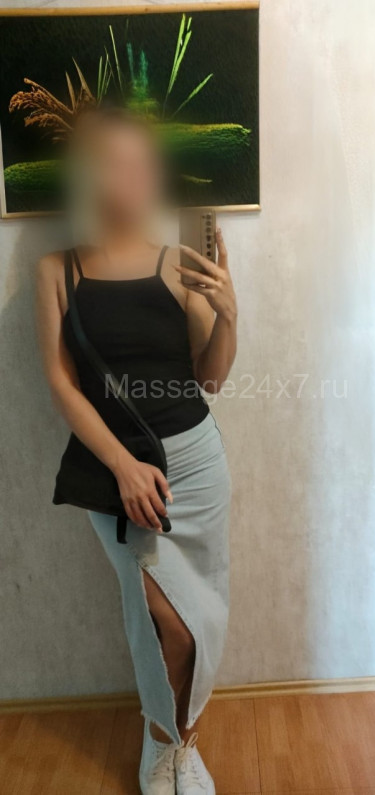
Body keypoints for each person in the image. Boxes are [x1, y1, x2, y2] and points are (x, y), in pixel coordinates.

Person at [36, 108, 237, 795]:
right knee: (162, 624)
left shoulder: (178, 262)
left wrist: (230, 313)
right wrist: (121, 465)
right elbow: (62, 384)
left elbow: (212, 378)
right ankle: (160, 738)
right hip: (115, 471)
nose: (130, 177)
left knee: (202, 616)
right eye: (112, 163)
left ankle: (183, 745)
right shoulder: (55, 269)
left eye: (140, 164)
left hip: (197, 465)